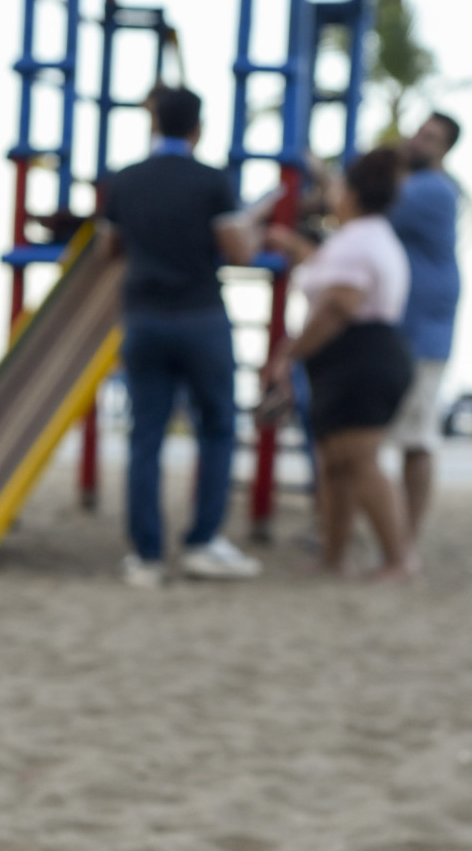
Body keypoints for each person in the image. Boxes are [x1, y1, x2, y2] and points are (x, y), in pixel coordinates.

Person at [100, 84, 262, 584]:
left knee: (145, 436)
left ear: (154, 123)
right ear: (198, 128)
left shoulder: (124, 181)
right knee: (216, 428)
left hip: (144, 316)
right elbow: (239, 251)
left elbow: (109, 250)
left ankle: (147, 556)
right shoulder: (212, 180)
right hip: (199, 314)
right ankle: (201, 541)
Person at [265, 148, 414, 580]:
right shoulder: (367, 238)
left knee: (359, 458)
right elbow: (331, 277)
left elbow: (338, 306)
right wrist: (296, 247)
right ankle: (335, 555)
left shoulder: (356, 242)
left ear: (350, 193)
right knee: (336, 460)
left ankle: (396, 558)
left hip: (360, 357)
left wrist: (290, 353)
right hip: (364, 355)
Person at [385, 111, 463, 559]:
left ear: (445, 149)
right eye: (418, 132)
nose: (417, 141)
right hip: (415, 329)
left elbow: (362, 202)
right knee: (410, 437)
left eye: (429, 137)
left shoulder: (428, 190)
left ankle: (404, 544)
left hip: (420, 334)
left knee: (415, 439)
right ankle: (400, 539)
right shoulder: (429, 188)